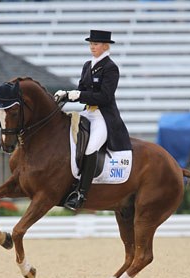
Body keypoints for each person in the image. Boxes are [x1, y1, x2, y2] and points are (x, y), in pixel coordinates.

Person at [54, 29, 131, 211]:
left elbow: (104, 96)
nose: (92, 47)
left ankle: (81, 194)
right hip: (87, 112)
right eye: (91, 44)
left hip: (103, 116)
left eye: (95, 44)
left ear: (105, 46)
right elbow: (81, 91)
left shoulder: (111, 68)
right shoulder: (87, 65)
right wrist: (67, 95)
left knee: (90, 147)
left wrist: (78, 94)